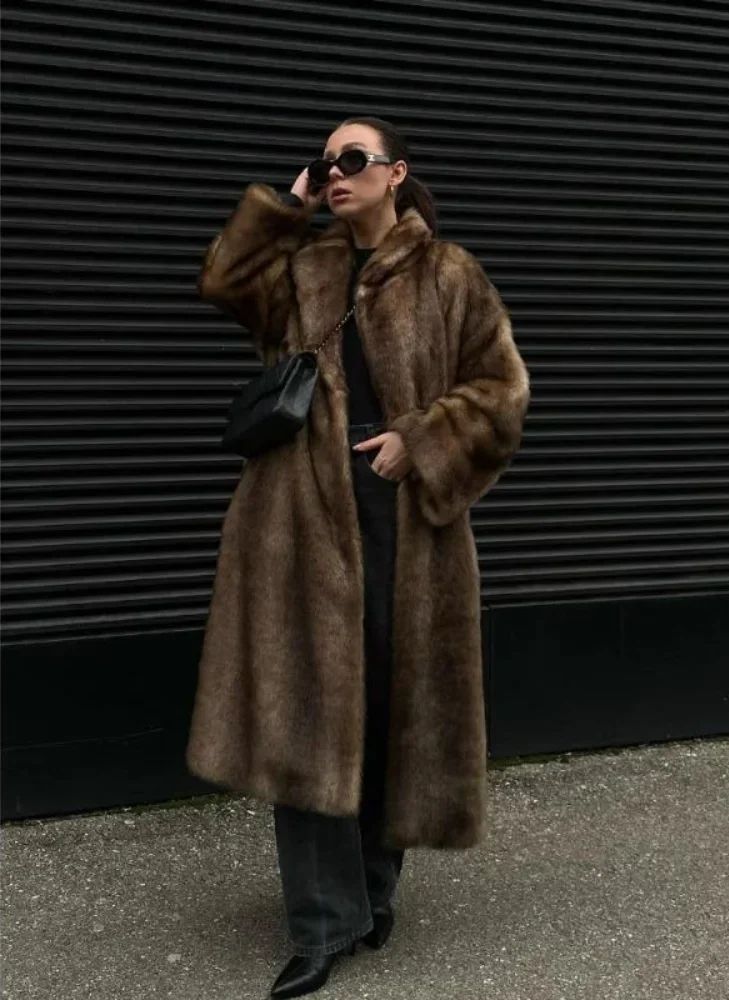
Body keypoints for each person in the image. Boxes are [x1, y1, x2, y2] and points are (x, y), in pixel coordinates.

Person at [185, 116, 531, 998]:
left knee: (389, 712)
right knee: (309, 716)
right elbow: (222, 282)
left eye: (352, 160)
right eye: (326, 161)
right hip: (299, 522)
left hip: (406, 526)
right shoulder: (303, 267)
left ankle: (373, 892)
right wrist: (288, 207)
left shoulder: (451, 274)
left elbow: (502, 391)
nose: (335, 172)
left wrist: (422, 439)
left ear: (395, 172)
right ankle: (320, 925)